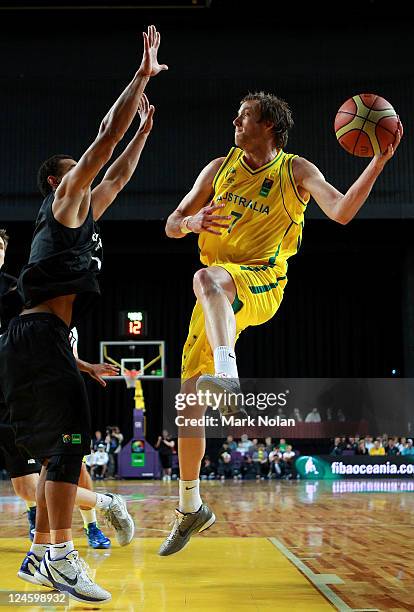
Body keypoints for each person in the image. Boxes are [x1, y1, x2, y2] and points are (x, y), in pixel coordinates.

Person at [160, 90, 401, 556]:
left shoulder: (295, 170)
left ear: (268, 124)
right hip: (216, 294)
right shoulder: (217, 168)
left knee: (205, 278)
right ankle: (191, 506)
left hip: (263, 280)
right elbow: (171, 223)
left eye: (244, 116)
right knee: (187, 403)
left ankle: (228, 376)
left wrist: (377, 162)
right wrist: (192, 222)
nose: (235, 120)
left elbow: (342, 211)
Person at [0, 25, 167, 603]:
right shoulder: (66, 198)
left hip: (44, 338)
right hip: (37, 335)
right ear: (57, 179)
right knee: (71, 441)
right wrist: (140, 78)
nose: (90, 175)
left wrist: (144, 132)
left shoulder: (84, 215)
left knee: (59, 447)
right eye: (78, 169)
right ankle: (60, 555)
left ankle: (39, 556)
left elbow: (118, 172)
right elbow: (103, 142)